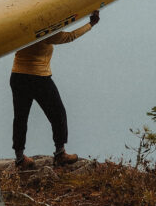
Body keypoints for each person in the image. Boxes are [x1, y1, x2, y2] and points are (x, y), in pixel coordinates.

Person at [10, 9, 100, 169]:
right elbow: (69, 36)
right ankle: (60, 154)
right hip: (38, 78)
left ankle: (19, 158)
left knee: (20, 118)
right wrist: (90, 24)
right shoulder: (45, 32)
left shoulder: (21, 29)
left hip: (18, 76)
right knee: (58, 114)